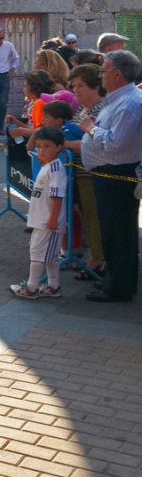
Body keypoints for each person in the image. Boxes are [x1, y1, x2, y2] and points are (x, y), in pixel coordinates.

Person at [80, 50, 142, 302]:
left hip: (116, 176)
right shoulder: (120, 99)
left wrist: (90, 128)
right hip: (108, 175)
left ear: (117, 74)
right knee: (114, 231)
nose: (100, 76)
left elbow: (115, 143)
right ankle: (116, 282)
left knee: (118, 233)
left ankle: (120, 287)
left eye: (103, 71)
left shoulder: (129, 103)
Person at [10, 126, 67, 299]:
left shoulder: (56, 169)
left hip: (47, 222)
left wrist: (52, 219)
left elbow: (57, 196)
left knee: (37, 254)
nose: (41, 150)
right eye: (39, 146)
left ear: (58, 147)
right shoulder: (48, 166)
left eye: (47, 146)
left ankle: (31, 287)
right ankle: (53, 286)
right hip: (42, 219)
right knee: (49, 256)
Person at [64, 64, 106, 277]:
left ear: (95, 86)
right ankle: (95, 256)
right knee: (85, 214)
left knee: (93, 216)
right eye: (74, 85)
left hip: (93, 172)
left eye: (81, 86)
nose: (76, 90)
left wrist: (66, 144)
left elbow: (96, 142)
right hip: (77, 172)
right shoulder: (81, 109)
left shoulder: (101, 109)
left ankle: (98, 259)